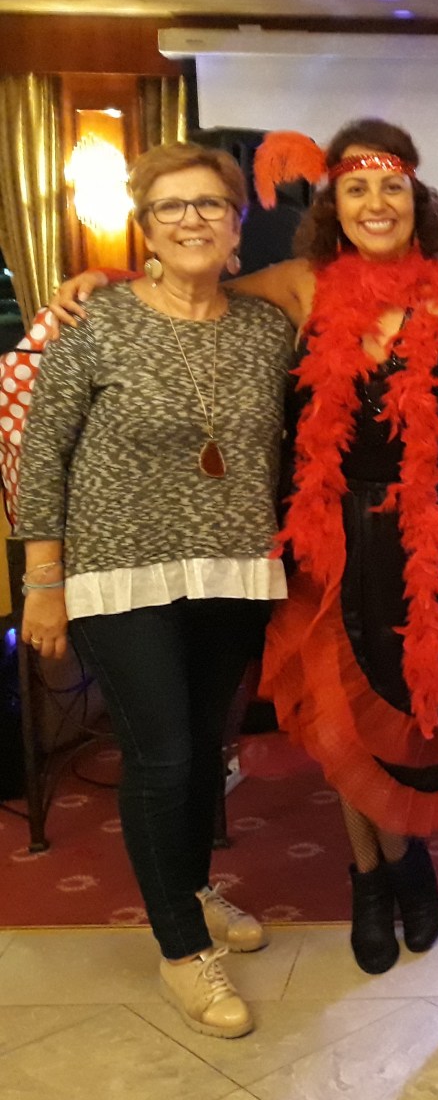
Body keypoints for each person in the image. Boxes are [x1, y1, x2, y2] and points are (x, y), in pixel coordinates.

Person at [53, 118, 438, 976]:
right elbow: (201, 282)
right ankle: (372, 876)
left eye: (391, 186)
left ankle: (407, 854)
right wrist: (110, 278)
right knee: (337, 713)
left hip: (427, 532)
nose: (375, 203)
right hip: (323, 531)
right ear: (333, 204)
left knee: (417, 708)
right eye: (356, 188)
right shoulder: (304, 286)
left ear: (416, 196)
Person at [17, 142, 296, 1038]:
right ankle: (181, 950)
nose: (191, 220)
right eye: (171, 206)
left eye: (210, 205)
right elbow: (42, 452)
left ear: (237, 225)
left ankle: (190, 887)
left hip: (231, 569)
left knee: (205, 745)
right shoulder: (95, 323)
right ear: (144, 226)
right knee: (164, 754)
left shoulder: (265, 330)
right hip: (117, 569)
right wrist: (43, 580)